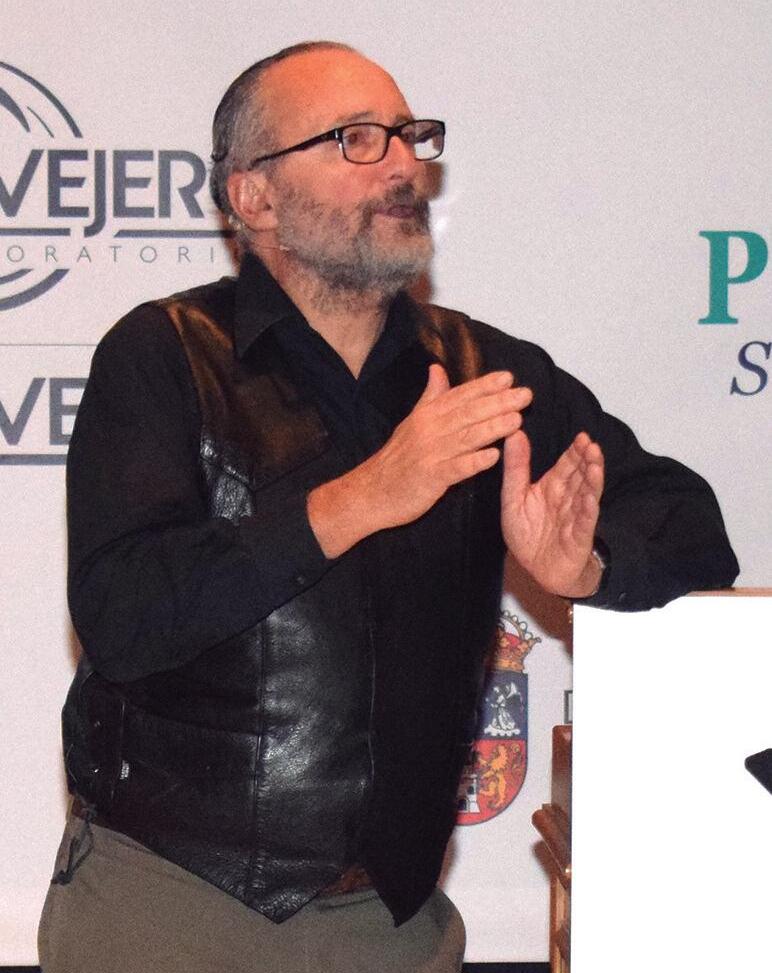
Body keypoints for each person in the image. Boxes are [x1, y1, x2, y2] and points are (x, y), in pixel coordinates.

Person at [38, 40, 739, 973]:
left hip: (396, 924)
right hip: (174, 909)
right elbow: (124, 613)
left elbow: (691, 525)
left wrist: (588, 565)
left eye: (410, 136)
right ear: (254, 196)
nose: (404, 163)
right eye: (356, 139)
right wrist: (361, 498)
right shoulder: (165, 354)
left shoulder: (486, 375)